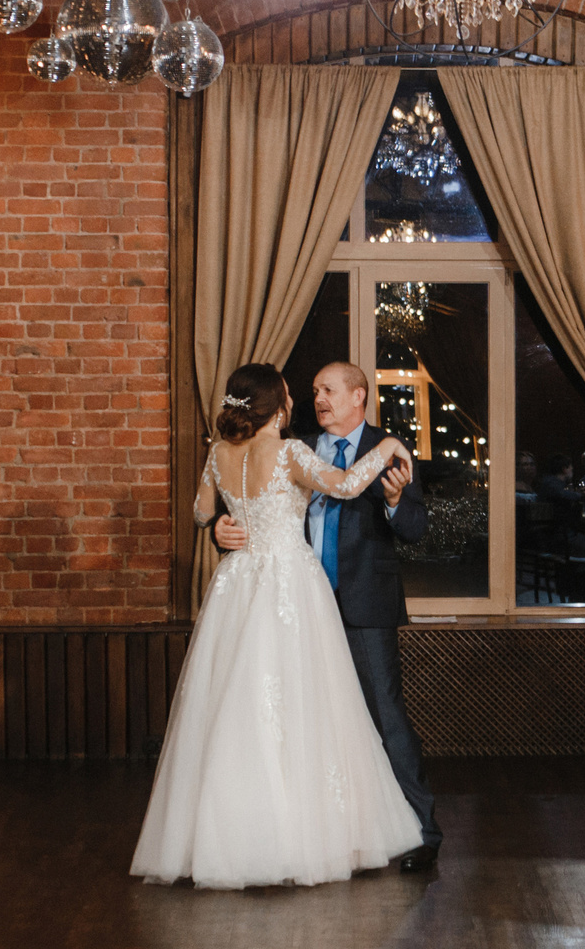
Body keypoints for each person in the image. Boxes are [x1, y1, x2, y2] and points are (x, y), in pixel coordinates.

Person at [135, 362, 426, 888]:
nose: (305, 400)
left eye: (323, 390)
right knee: (303, 710)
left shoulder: (219, 453)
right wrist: (389, 446)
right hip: (291, 589)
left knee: (241, 708)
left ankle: (236, 840)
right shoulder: (292, 451)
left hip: (241, 589)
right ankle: (300, 839)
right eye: (298, 392)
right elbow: (343, 486)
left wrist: (225, 519)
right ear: (276, 404)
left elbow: (200, 511)